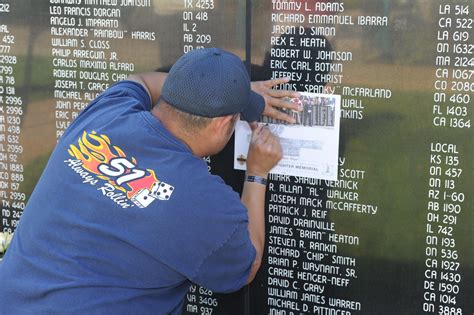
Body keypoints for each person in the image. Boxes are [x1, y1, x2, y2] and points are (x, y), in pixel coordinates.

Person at [0, 48, 300, 314]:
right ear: (223, 125)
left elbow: (142, 82)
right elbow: (247, 265)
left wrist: (223, 92)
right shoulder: (202, 201)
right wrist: (256, 172)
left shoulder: (107, 114)